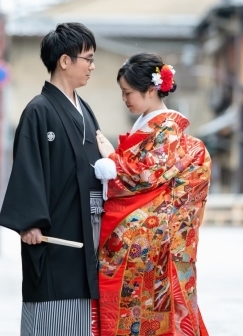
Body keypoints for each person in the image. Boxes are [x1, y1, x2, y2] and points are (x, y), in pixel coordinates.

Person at [0, 23, 111, 336]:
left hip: (87, 229)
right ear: (64, 61)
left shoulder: (84, 109)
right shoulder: (38, 110)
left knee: (81, 318)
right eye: (88, 59)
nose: (92, 66)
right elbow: (28, 168)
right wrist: (29, 223)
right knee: (52, 312)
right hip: (54, 231)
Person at [93, 53, 211, 336]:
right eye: (122, 92)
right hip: (146, 235)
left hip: (151, 238)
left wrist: (111, 158)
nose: (124, 98)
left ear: (150, 90)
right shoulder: (151, 124)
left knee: (145, 307)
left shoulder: (167, 129)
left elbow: (145, 175)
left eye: (128, 92)